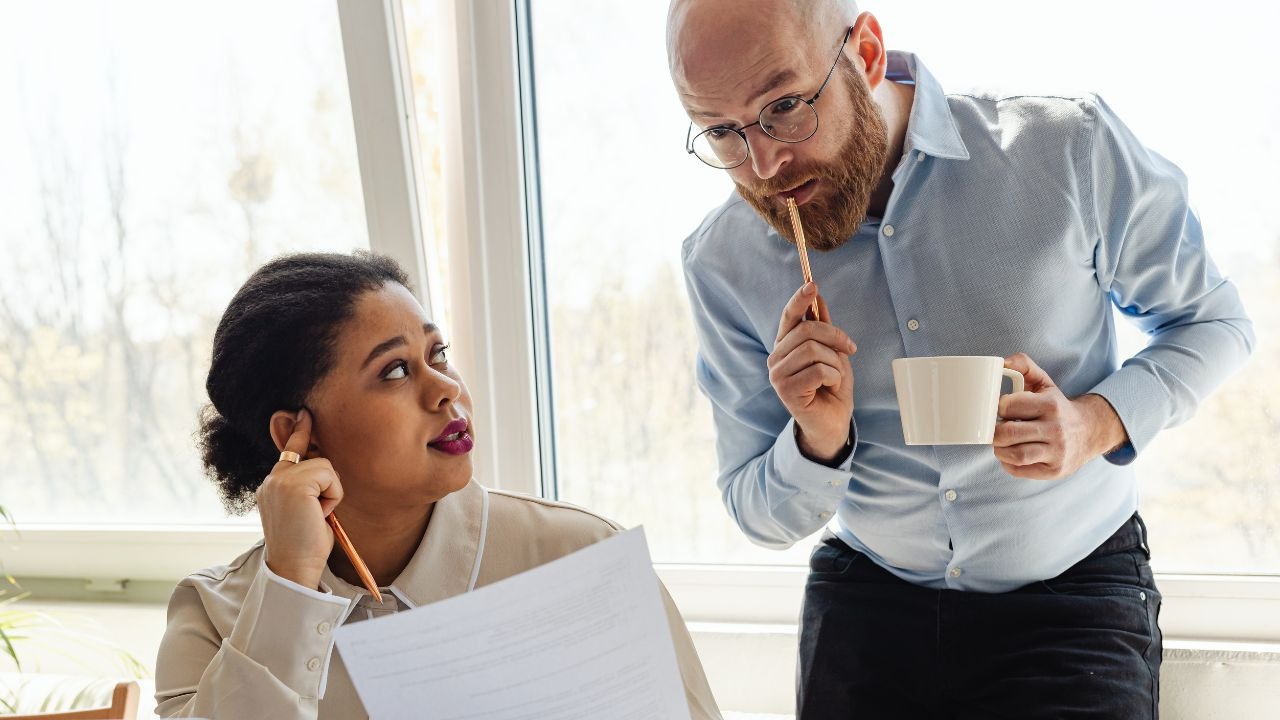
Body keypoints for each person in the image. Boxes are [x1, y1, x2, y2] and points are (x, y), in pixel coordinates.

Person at [667, 1, 1254, 718]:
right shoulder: (723, 262)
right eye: (722, 132)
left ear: (868, 52)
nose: (763, 165)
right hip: (870, 593)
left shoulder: (1068, 148)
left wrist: (1092, 425)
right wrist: (816, 440)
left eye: (785, 106)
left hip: (1072, 589)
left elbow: (1215, 322)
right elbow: (756, 510)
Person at [155, 252, 721, 719]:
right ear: (298, 434)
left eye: (437, 354)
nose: (445, 388)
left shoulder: (581, 556)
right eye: (395, 371)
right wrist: (288, 589)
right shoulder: (212, 614)